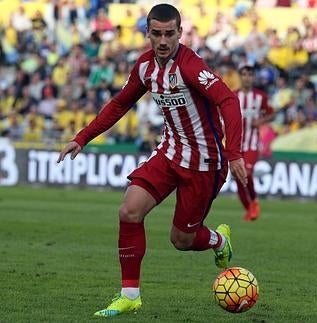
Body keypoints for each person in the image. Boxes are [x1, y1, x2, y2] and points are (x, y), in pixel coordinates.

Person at [57, 4, 247, 317]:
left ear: (180, 33)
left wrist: (235, 151)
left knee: (181, 240)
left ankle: (217, 239)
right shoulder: (145, 67)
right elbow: (119, 104)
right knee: (129, 210)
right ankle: (130, 295)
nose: (162, 40)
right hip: (170, 151)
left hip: (204, 163)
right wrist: (82, 138)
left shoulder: (190, 66)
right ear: (148, 33)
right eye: (156, 33)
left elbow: (228, 100)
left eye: (169, 34)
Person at [234, 64, 275, 221]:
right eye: (244, 74)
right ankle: (249, 208)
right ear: (240, 76)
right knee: (238, 177)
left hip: (252, 143)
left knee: (247, 173)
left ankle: (254, 203)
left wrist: (261, 121)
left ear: (253, 77)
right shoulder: (234, 95)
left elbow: (271, 114)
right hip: (236, 144)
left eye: (250, 75)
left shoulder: (260, 97)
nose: (247, 77)